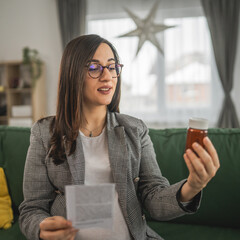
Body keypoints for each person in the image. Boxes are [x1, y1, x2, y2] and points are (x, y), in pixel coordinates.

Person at [19, 34, 220, 240]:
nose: (107, 76)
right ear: (73, 73)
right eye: (94, 67)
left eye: (112, 67)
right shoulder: (44, 133)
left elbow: (154, 199)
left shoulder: (135, 129)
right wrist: (42, 227)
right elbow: (31, 209)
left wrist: (193, 185)